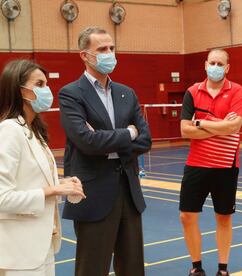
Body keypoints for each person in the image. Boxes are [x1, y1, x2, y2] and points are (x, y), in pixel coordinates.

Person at [58, 27, 152, 276]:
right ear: (84, 55)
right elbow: (87, 142)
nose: (109, 54)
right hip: (93, 193)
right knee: (92, 268)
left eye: (111, 48)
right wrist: (128, 133)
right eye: (102, 49)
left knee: (133, 268)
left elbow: (145, 140)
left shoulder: (126, 93)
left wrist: (106, 141)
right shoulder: (71, 94)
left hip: (128, 193)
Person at [0, 59, 85, 276]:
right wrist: (54, 190)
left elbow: (31, 182)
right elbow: (2, 198)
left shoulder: (33, 131)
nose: (46, 90)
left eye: (46, 84)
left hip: (43, 245)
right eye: (39, 84)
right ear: (20, 91)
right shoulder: (9, 131)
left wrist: (63, 184)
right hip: (19, 252)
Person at [179, 49, 242, 276]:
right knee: (186, 216)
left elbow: (234, 127)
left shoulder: (237, 90)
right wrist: (218, 127)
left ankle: (223, 268)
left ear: (227, 67)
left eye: (220, 63)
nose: (215, 66)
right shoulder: (192, 92)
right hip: (196, 164)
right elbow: (185, 130)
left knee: (224, 217)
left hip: (226, 166)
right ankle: (196, 267)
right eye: (212, 62)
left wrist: (200, 122)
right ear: (205, 64)